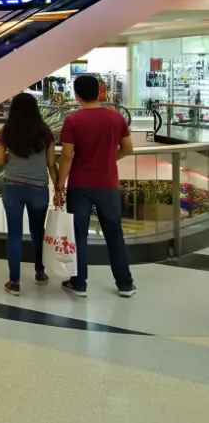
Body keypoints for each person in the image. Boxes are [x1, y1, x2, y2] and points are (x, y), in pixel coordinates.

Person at [56, 74, 136, 298]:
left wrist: (61, 184)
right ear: (99, 92)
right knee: (114, 233)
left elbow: (67, 157)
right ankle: (125, 284)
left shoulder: (73, 120)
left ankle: (79, 283)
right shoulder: (115, 117)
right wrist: (110, 159)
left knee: (78, 234)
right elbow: (128, 148)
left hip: (80, 185)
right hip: (108, 184)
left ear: (77, 95)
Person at [0, 93, 57, 296]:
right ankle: (40, 272)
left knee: (14, 234)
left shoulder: (6, 131)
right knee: (38, 232)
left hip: (12, 185)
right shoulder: (45, 133)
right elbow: (50, 163)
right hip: (39, 188)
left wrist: (13, 161)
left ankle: (15, 281)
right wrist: (59, 187)